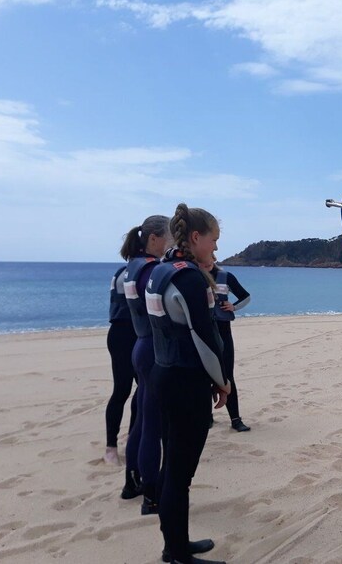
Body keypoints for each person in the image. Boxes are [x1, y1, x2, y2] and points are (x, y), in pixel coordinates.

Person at [146, 203, 230, 564]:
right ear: (196, 238)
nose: (215, 248)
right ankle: (177, 553)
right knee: (180, 474)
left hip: (163, 373)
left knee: (173, 468)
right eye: (213, 241)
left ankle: (174, 543)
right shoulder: (189, 278)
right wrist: (222, 381)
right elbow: (204, 337)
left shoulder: (161, 271)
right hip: (185, 382)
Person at [119, 215, 172, 513]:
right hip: (154, 349)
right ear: (153, 238)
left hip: (140, 345)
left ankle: (132, 482)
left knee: (141, 419)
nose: (170, 246)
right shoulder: (151, 270)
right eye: (168, 239)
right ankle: (151, 494)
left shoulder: (132, 266)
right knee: (152, 423)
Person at [200, 254, 251, 432]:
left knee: (227, 375)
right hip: (203, 333)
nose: (208, 260)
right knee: (204, 377)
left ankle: (236, 419)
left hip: (223, 332)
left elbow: (246, 296)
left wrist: (233, 306)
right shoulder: (194, 276)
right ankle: (208, 417)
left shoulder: (225, 276)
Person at [104, 262, 138, 467]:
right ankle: (110, 447)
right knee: (122, 390)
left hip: (137, 336)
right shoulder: (130, 272)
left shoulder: (138, 269)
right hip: (122, 335)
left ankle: (132, 436)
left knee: (144, 389)